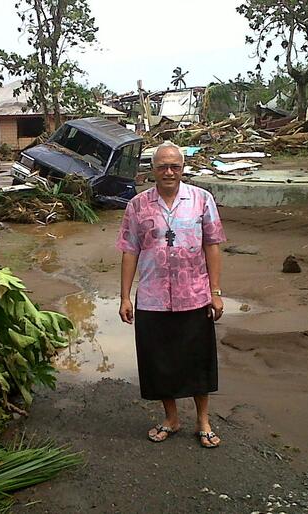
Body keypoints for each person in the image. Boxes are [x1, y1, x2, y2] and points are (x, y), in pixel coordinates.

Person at [116, 141, 226, 448]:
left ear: (182, 168)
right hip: (152, 298)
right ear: (152, 170)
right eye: (162, 166)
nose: (168, 172)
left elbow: (212, 245)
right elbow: (128, 251)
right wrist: (125, 297)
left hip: (195, 294)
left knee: (198, 361)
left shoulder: (202, 199)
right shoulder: (137, 205)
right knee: (159, 362)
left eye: (174, 166)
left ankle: (203, 421)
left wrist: (215, 292)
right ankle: (171, 418)